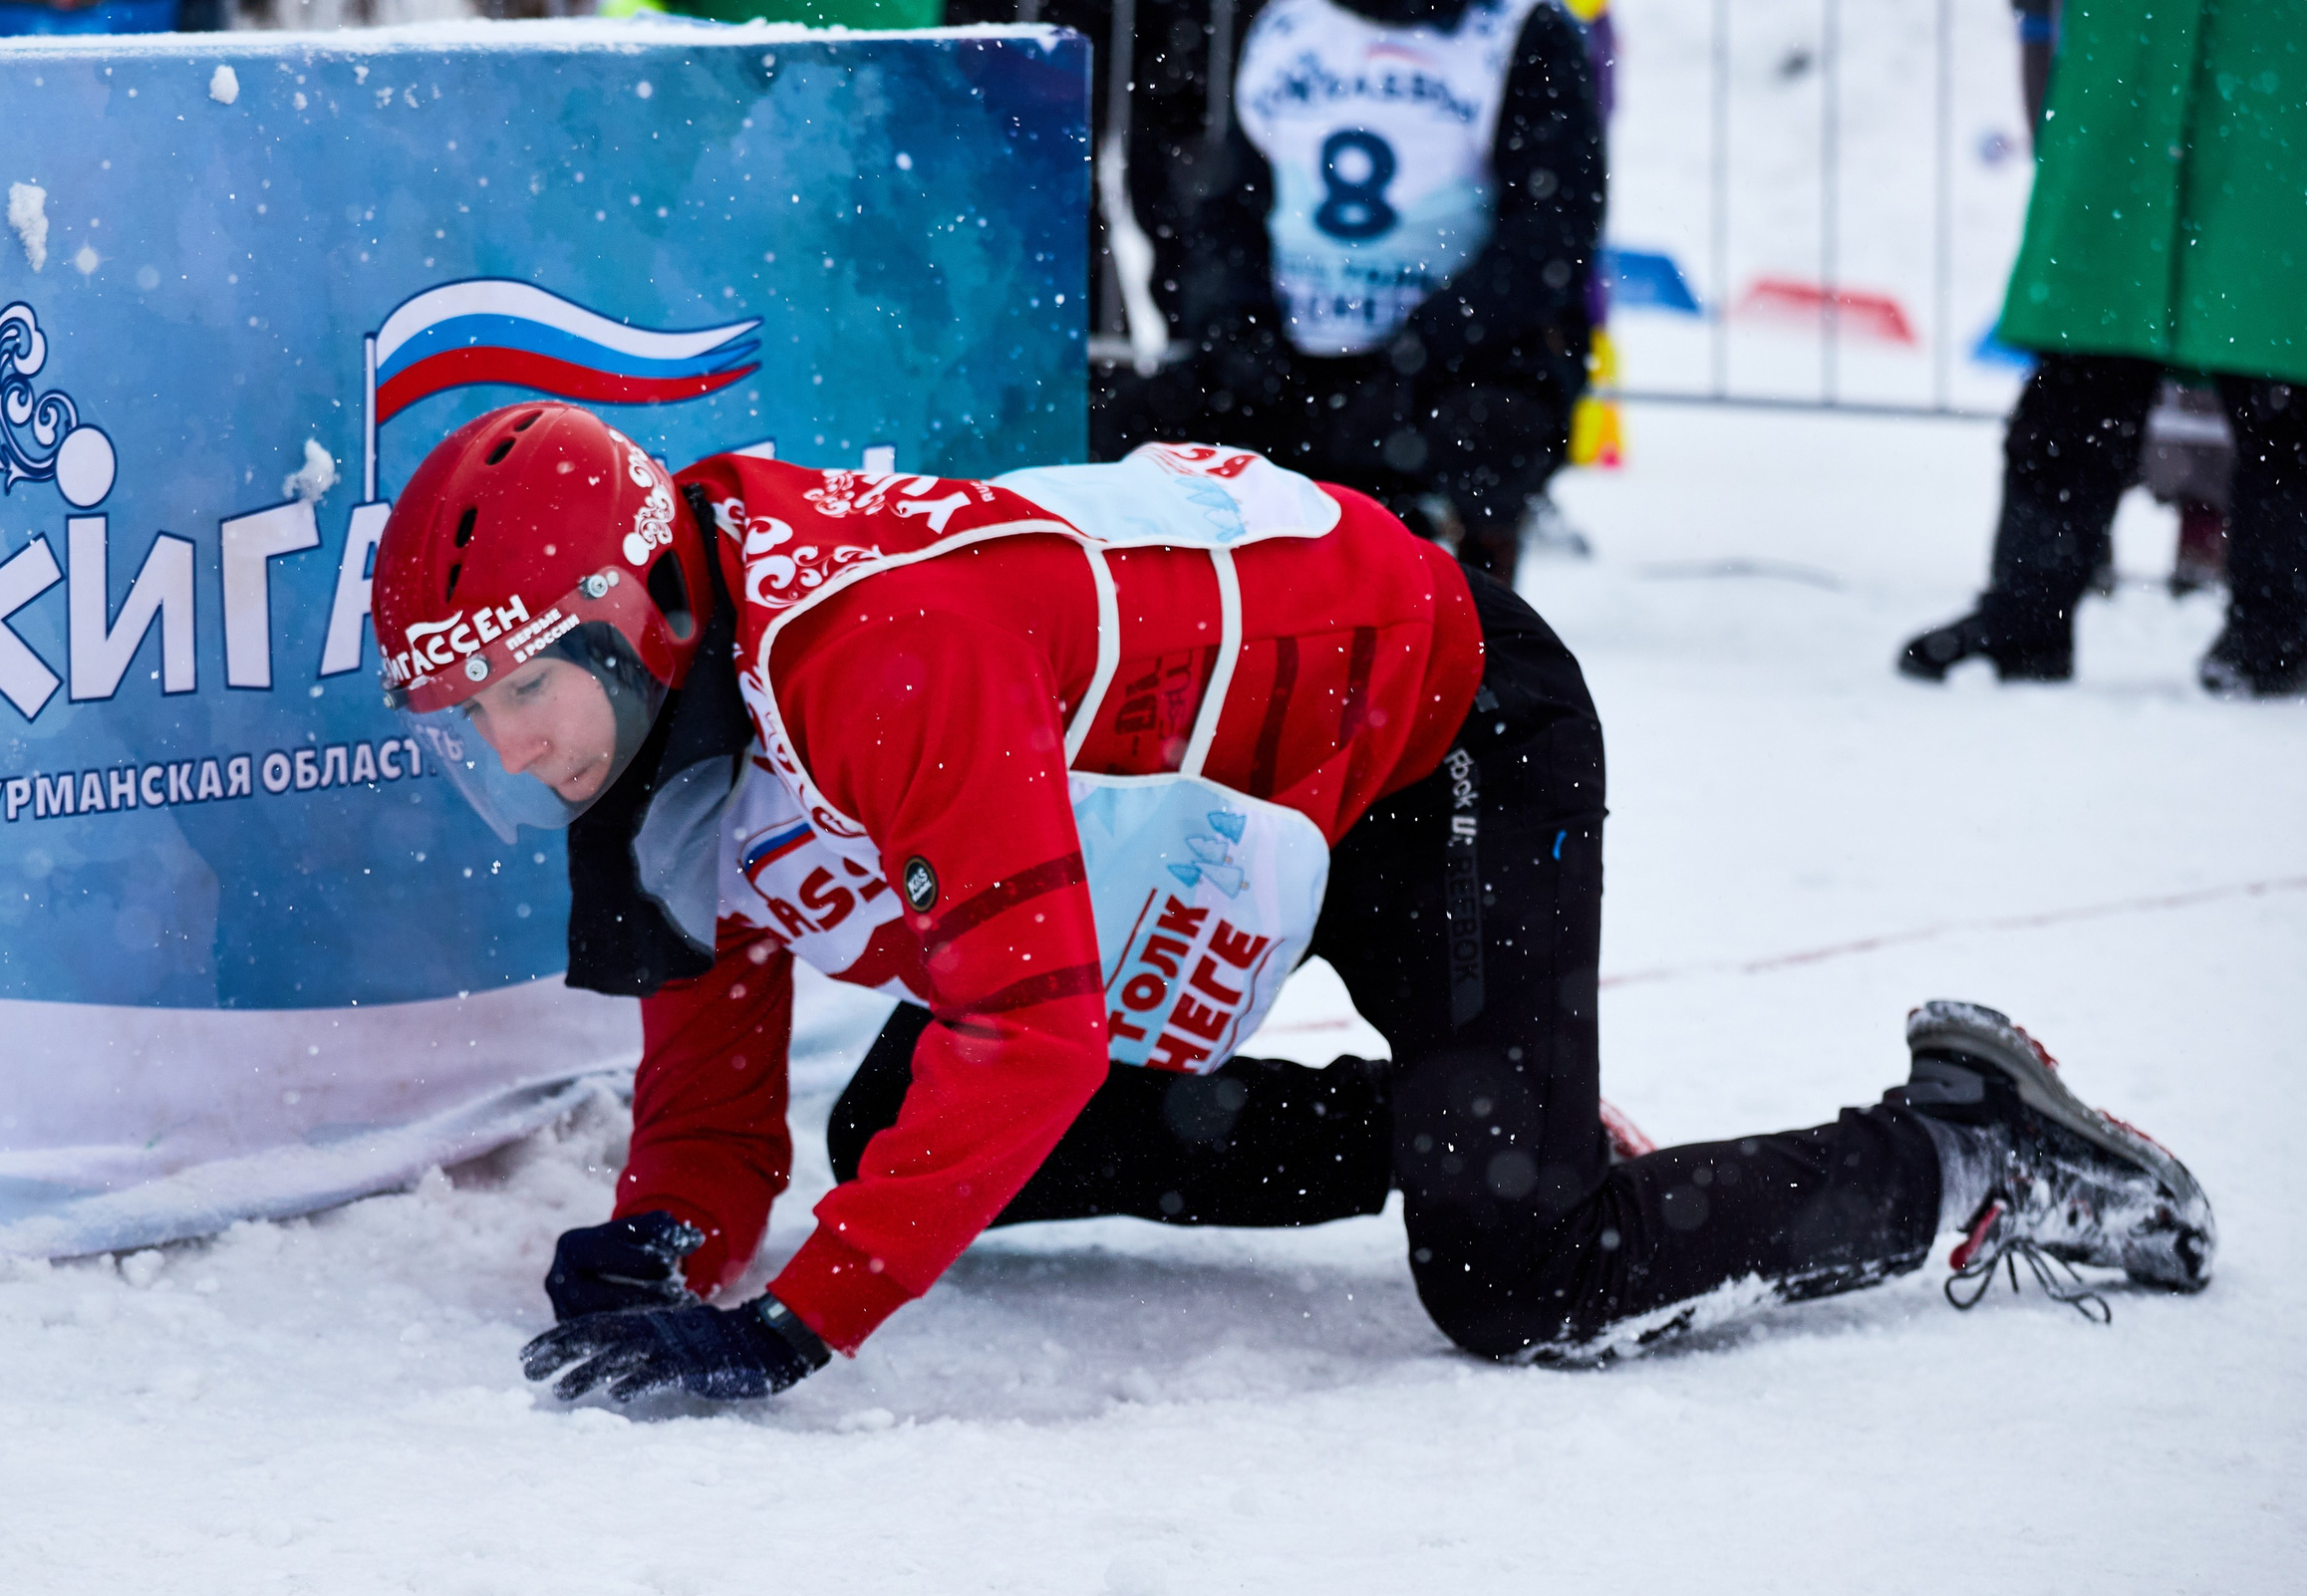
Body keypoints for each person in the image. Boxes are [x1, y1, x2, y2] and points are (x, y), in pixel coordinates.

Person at [370, 403, 2214, 1406]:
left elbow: (1031, 1019)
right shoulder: (628, 704)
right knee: (887, 1124)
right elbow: (716, 1002)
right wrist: (678, 1228)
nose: (505, 745)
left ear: (631, 617)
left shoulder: (870, 653)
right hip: (1211, 798)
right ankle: (1477, 1134)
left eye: (511, 694)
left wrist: (801, 1323)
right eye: (463, 721)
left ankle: (1967, 1150)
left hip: (1427, 728)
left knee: (1523, 1287)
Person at [1086, 0, 1605, 584]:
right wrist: (1242, 328)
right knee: (1126, 428)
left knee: (1484, 435)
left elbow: (1553, 230)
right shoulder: (1290, 25)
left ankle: (1482, 615)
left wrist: (1424, 346)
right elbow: (1229, 210)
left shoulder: (1523, 31)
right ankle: (1182, 621)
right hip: (1294, 362)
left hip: (1458, 364)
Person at [1899, 0, 2305, 695]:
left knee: (2279, 376)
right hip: (2135, 53)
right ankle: (2027, 615)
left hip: (2271, 59)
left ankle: (2277, 632)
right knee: (2083, 361)